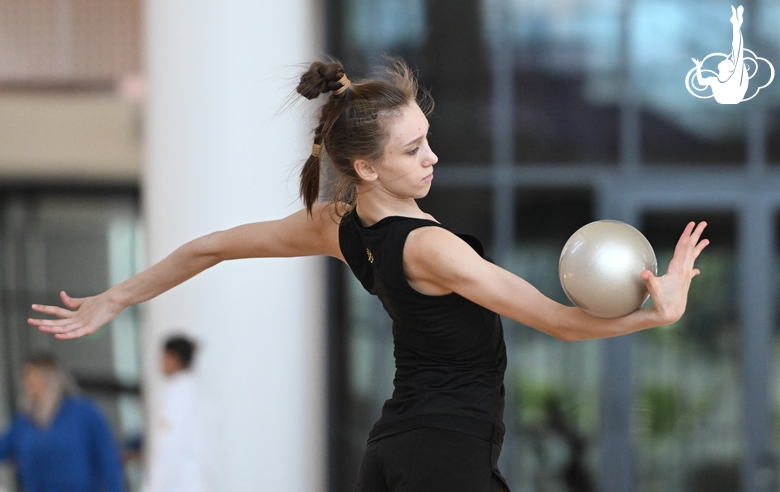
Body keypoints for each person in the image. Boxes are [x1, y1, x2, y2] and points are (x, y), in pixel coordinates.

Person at [27, 58, 708, 491]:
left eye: (428, 140)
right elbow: (556, 321)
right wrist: (657, 313)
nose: (433, 158)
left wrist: (116, 297)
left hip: (392, 454)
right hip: (443, 458)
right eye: (414, 150)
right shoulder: (431, 250)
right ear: (367, 167)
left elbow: (212, 247)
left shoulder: (338, 227)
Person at [0, 354, 124, 492]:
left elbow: (107, 459)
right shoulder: (23, 422)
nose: (29, 384)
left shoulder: (83, 412)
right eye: (25, 378)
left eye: (34, 378)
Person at [144, 335, 213, 492]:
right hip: (196, 481)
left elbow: (169, 445)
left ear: (172, 357)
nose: (159, 363)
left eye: (162, 357)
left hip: (179, 483)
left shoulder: (177, 395)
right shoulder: (198, 393)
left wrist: (155, 486)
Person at [692, 5, 749, 104]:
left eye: (727, 61)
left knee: (736, 50)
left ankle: (736, 23)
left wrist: (736, 26)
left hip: (733, 98)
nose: (725, 59)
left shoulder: (734, 78)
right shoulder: (715, 80)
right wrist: (698, 67)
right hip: (726, 99)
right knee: (736, 50)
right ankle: (736, 23)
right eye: (728, 61)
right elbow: (701, 82)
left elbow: (737, 49)